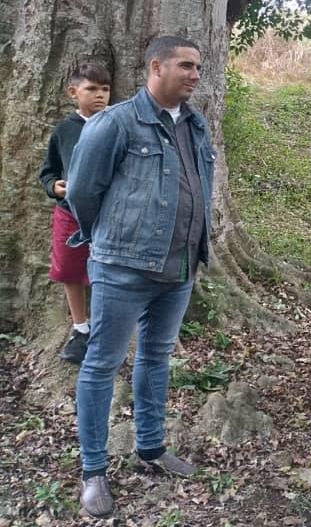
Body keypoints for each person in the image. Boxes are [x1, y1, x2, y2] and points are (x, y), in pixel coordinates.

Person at [66, 36, 213, 518]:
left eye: (198, 67)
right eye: (185, 65)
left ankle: (150, 448)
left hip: (180, 268)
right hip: (122, 270)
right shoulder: (116, 122)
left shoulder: (196, 124)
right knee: (101, 366)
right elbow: (83, 193)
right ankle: (93, 472)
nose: (195, 74)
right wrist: (111, 242)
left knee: (156, 358)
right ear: (156, 66)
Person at [38, 62, 111, 364]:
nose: (100, 96)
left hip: (108, 215)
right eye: (91, 89)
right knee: (71, 271)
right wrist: (54, 186)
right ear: (73, 92)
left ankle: (107, 331)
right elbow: (48, 170)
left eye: (105, 90)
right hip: (69, 214)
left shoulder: (114, 124)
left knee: (107, 271)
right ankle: (81, 329)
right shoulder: (65, 130)